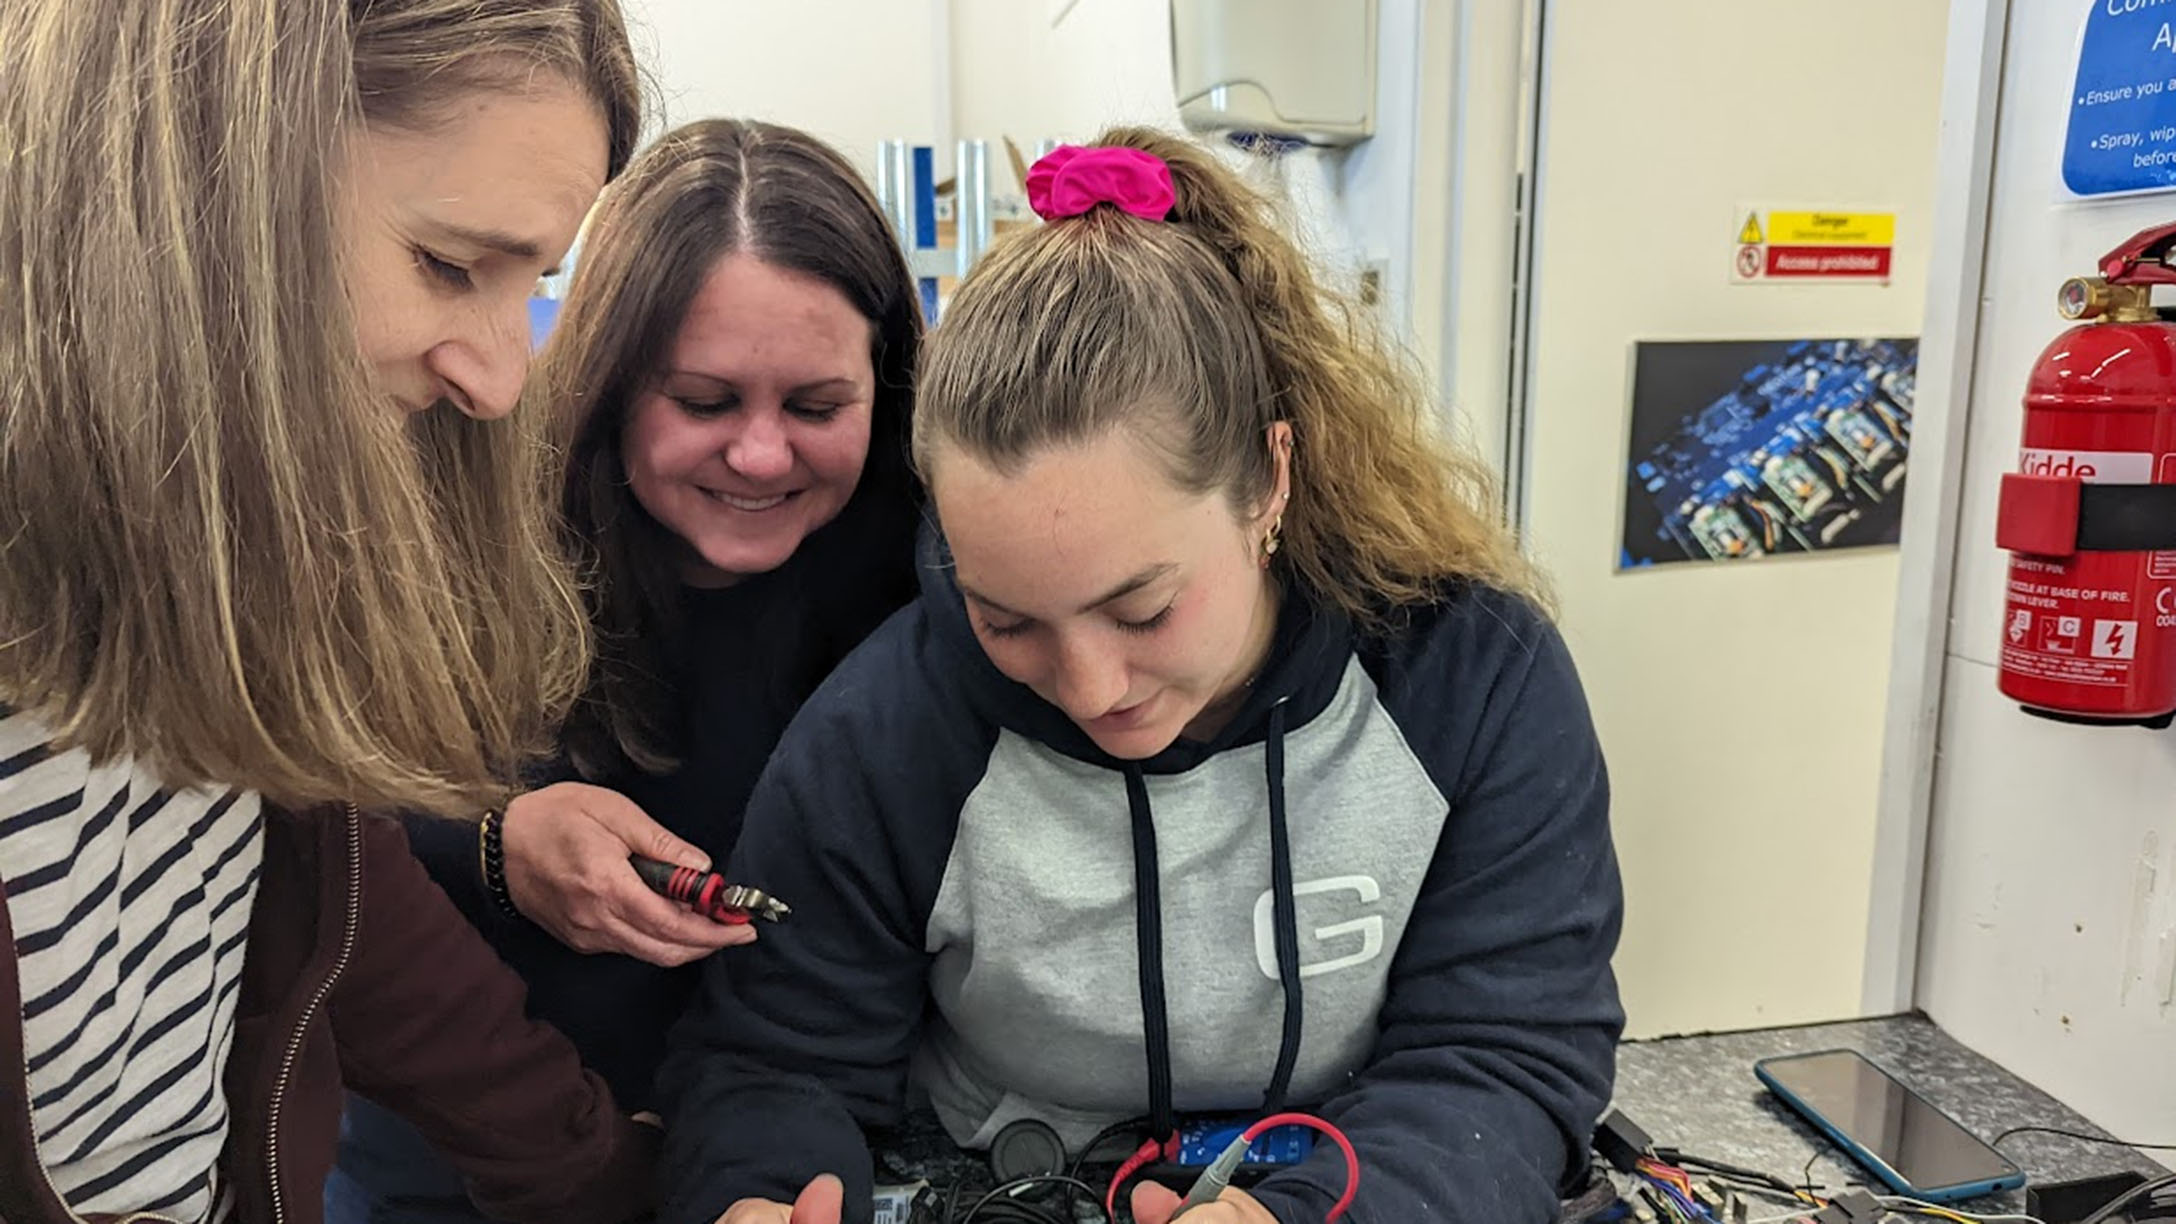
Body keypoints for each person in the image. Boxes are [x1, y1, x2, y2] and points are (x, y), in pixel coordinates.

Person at [658, 130, 1626, 1224]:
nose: (1087, 685)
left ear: (1268, 481)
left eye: (1143, 609)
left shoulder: (1473, 681)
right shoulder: (884, 730)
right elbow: (770, 1062)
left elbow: (1505, 1058)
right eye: (1005, 619)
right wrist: (760, 1192)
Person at [0, 1, 658, 1222]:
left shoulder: (215, 581)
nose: (504, 378)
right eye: (449, 265)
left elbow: (357, 921)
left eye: (531, 284)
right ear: (179, 178)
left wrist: (619, 1181)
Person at [329, 118, 925, 1222]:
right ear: (605, 379)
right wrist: (501, 847)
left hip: (783, 1165)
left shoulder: (936, 588)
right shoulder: (445, 529)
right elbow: (310, 821)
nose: (759, 454)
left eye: (816, 407)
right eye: (701, 403)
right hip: (460, 1172)